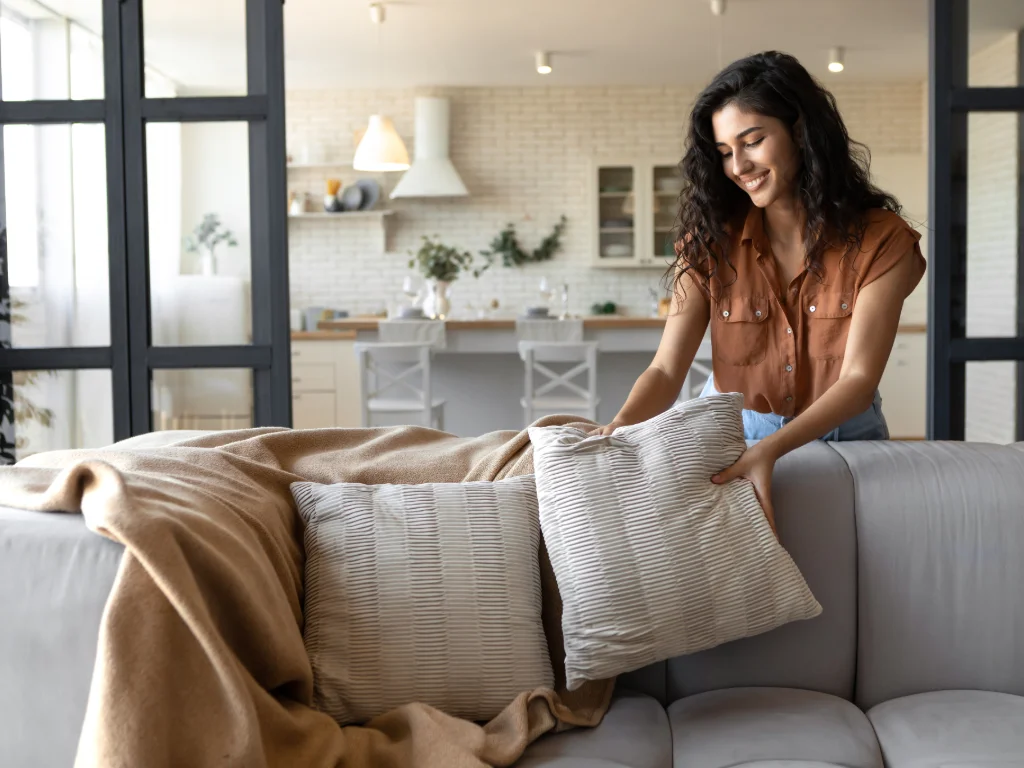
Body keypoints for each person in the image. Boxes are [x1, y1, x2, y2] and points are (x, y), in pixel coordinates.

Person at [592, 51, 926, 528]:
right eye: (725, 152)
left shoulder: (881, 240)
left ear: (801, 132)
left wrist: (770, 452)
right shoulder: (709, 242)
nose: (738, 165)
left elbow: (857, 382)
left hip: (848, 441)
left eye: (752, 141)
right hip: (738, 436)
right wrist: (618, 430)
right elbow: (666, 370)